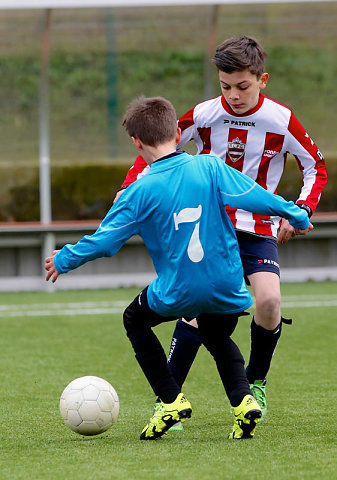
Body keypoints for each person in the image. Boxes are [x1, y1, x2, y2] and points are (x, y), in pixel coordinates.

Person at [45, 96, 312, 441]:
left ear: (136, 143)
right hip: (228, 287)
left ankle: (170, 400)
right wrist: (296, 213)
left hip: (178, 290)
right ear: (176, 131)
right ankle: (244, 401)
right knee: (216, 334)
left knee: (134, 319)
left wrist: (64, 259)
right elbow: (256, 196)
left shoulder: (138, 191)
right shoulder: (210, 167)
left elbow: (105, 242)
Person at [115, 36, 328, 425]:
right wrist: (131, 186)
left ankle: (255, 383)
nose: (233, 94)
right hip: (210, 225)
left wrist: (299, 210)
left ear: (262, 80)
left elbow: (316, 166)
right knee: (195, 309)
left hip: (259, 228)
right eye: (225, 86)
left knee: (268, 302)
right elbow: (157, 150)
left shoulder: (281, 120)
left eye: (242, 86)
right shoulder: (203, 114)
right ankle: (169, 402)